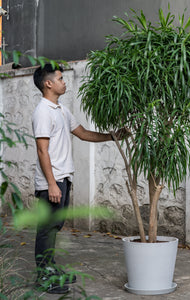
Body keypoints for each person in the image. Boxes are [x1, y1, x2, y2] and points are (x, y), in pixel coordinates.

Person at [32, 63, 126, 294]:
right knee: (47, 228)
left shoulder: (61, 110)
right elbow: (42, 151)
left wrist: (113, 137)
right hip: (51, 182)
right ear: (48, 83)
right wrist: (52, 184)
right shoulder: (43, 111)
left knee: (55, 226)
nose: (65, 82)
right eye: (61, 79)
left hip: (63, 179)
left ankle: (51, 269)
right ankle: (44, 277)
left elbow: (83, 133)